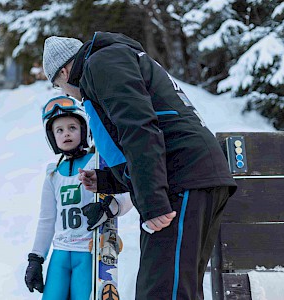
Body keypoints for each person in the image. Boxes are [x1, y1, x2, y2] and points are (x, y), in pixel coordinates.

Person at [41, 32, 237, 300]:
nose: (67, 95)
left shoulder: (102, 63)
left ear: (64, 72)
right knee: (177, 289)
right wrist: (108, 180)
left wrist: (153, 202)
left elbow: (140, 128)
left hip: (183, 179)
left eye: (58, 86)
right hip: (192, 176)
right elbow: (139, 133)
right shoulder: (115, 59)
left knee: (162, 291)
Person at [24, 96, 132, 299]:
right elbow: (47, 220)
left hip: (89, 251)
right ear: (52, 137)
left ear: (84, 130)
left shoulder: (97, 161)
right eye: (59, 130)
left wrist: (112, 206)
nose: (66, 134)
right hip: (61, 253)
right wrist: (36, 259)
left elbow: (129, 192)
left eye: (72, 127)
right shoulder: (52, 173)